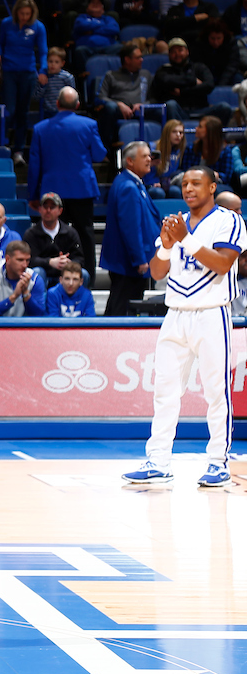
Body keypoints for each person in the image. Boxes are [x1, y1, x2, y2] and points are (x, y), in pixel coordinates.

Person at [123, 166, 246, 486]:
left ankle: (218, 461)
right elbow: (157, 270)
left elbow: (221, 264)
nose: (188, 188)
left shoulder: (229, 220)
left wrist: (185, 240)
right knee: (164, 391)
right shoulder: (178, 222)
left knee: (216, 392)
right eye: (185, 183)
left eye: (196, 183)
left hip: (211, 313)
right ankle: (158, 459)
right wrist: (165, 243)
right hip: (175, 314)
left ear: (212, 187)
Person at [27, 86, 104, 277]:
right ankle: (87, 279)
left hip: (53, 191)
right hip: (81, 189)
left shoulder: (40, 128)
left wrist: (33, 194)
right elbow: (100, 154)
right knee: (85, 235)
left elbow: (34, 165)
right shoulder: (89, 125)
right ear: (77, 105)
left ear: (57, 103)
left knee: (54, 234)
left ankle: (55, 277)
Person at [101, 140, 163, 316]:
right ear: (130, 161)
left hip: (130, 262)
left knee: (119, 305)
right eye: (144, 156)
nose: (149, 159)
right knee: (122, 309)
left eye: (149, 156)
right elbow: (130, 227)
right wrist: (139, 259)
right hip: (129, 263)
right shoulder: (128, 186)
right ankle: (111, 342)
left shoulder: (132, 183)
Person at [0, 0, 48, 165]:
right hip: (9, 71)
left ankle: (18, 150)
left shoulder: (39, 27)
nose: (24, 17)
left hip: (28, 72)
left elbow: (43, 51)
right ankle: (1, 144)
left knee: (22, 113)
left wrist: (43, 70)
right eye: (22, 13)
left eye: (27, 14)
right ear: (16, 11)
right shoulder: (6, 23)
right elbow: (1, 43)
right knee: (9, 110)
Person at [150, 37, 235, 124]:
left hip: (202, 110)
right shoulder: (163, 70)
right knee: (171, 105)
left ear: (187, 51)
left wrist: (183, 91)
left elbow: (209, 85)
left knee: (224, 107)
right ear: (169, 54)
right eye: (173, 52)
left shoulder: (199, 68)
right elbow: (166, 81)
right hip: (179, 111)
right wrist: (193, 81)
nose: (177, 54)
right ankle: (177, 134)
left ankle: (215, 137)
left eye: (180, 50)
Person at [95, 44, 152, 155]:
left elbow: (154, 98)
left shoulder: (146, 74)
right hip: (119, 112)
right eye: (138, 57)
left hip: (142, 111)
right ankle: (104, 152)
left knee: (164, 108)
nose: (142, 60)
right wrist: (119, 104)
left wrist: (143, 105)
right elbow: (100, 98)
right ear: (127, 59)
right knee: (109, 108)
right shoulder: (111, 75)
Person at [24, 191, 84, 286]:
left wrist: (68, 263)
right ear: (40, 209)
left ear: (60, 211)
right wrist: (50, 262)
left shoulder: (70, 233)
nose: (48, 210)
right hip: (43, 273)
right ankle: (40, 300)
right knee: (37, 272)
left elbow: (80, 258)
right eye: (45, 207)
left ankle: (77, 301)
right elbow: (28, 260)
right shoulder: (31, 234)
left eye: (52, 207)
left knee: (83, 274)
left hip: (65, 273)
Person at [0, 240, 47, 317]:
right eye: (20, 260)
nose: (25, 265)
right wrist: (14, 296)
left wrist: (26, 294)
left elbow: (40, 315)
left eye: (27, 260)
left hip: (24, 327)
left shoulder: (35, 279)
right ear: (7, 259)